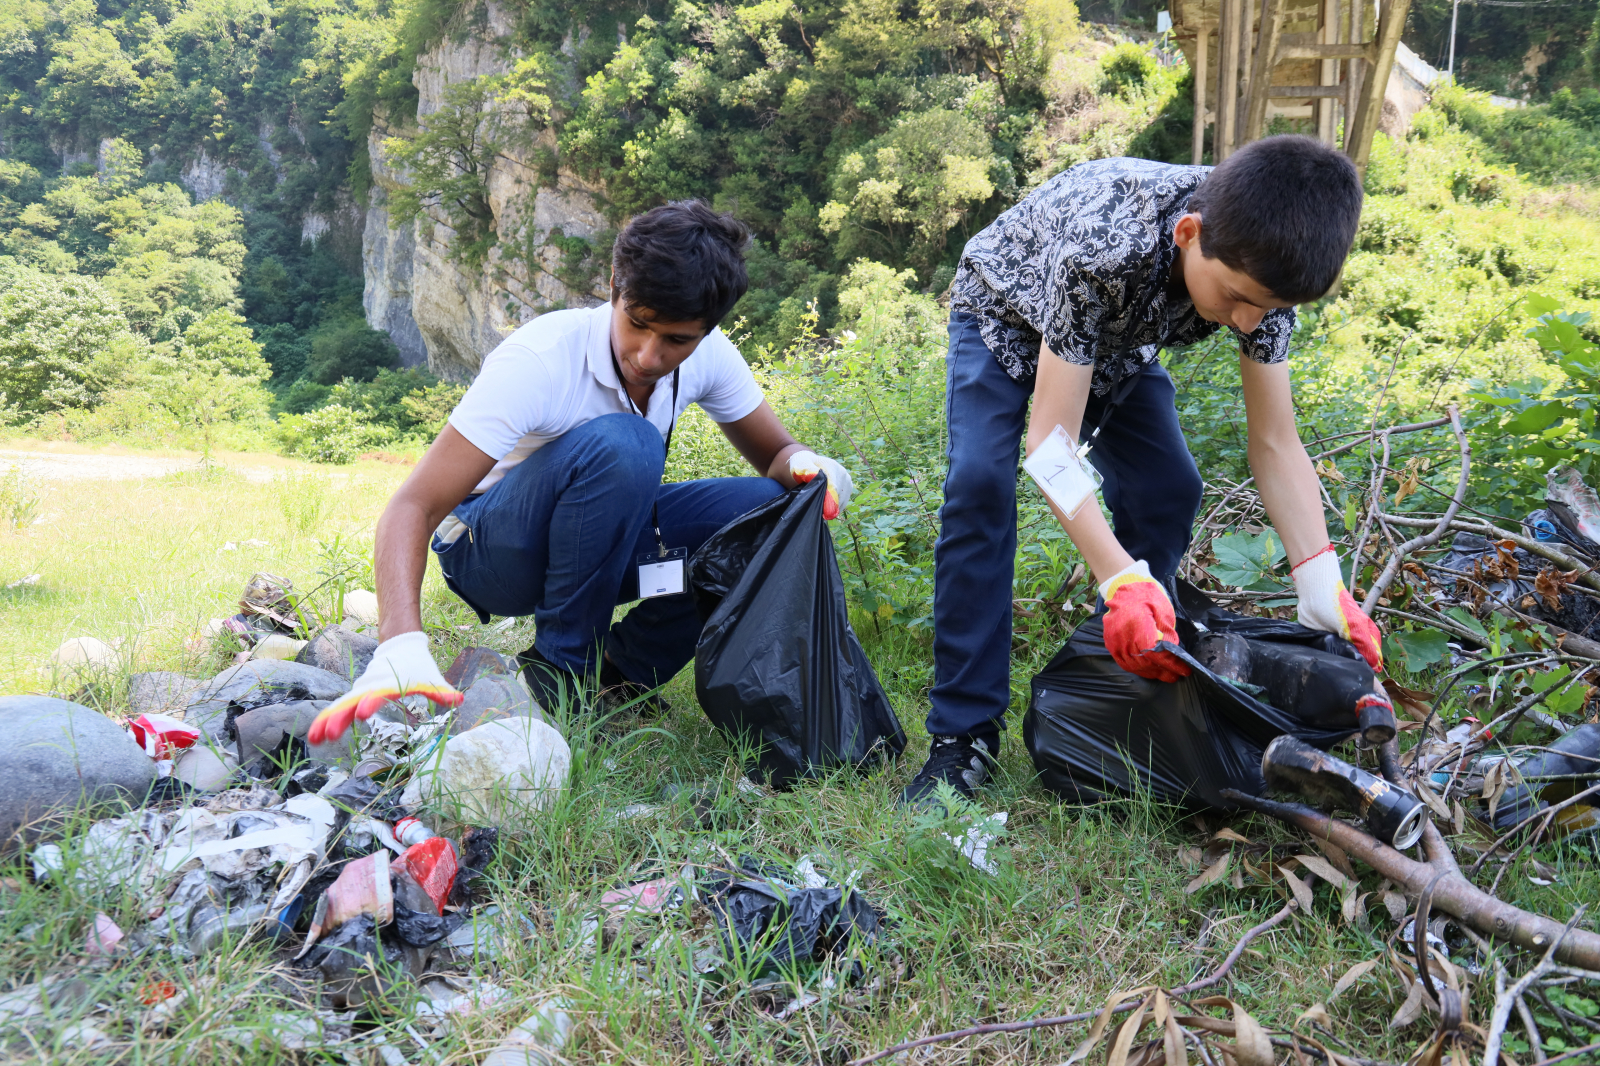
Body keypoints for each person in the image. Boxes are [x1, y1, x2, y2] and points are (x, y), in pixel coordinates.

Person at [901, 135, 1383, 807]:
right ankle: (963, 738)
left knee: (1169, 487)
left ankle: (1122, 679)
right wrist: (1118, 573)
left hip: (1117, 336)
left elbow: (1275, 442)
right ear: (1190, 234)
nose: (1248, 322)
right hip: (1004, 313)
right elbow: (1050, 443)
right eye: (1238, 298)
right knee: (981, 487)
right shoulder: (1103, 244)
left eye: (1267, 309)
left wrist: (1321, 582)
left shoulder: (1264, 267)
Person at [307, 200, 855, 745]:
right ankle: (559, 672)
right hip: (490, 553)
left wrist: (809, 467)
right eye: (637, 324)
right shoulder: (542, 358)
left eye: (676, 340)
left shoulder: (711, 355)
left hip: (601, 544)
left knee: (772, 510)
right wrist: (399, 644)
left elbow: (777, 454)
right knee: (628, 442)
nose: (647, 354)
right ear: (615, 284)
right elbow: (414, 506)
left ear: (708, 330)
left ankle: (620, 673)